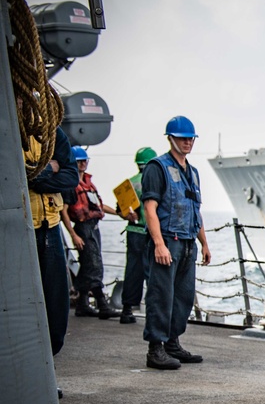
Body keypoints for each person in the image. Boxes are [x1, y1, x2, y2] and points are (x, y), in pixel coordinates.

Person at [140, 116, 211, 370]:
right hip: (168, 240)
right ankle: (155, 348)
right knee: (161, 294)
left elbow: (195, 208)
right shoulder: (157, 168)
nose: (187, 142)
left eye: (190, 138)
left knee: (183, 296)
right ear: (170, 138)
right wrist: (159, 244)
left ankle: (172, 342)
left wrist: (204, 243)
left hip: (188, 242)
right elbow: (150, 208)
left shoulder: (192, 172)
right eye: (182, 138)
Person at [26, 126, 77, 355]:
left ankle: (48, 359)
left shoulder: (51, 131)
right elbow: (13, 173)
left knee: (57, 302)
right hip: (19, 226)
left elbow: (70, 176)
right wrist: (50, 169)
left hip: (50, 226)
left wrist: (36, 178)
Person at [61, 145, 123, 320]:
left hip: (94, 227)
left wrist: (119, 214)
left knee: (88, 265)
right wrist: (73, 234)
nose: (83, 164)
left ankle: (82, 304)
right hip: (83, 228)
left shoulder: (88, 184)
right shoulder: (70, 185)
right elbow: (63, 211)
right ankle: (102, 305)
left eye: (84, 161)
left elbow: (98, 206)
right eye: (79, 161)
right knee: (95, 264)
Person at [119, 146, 158, 324]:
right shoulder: (156, 182)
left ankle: (127, 310)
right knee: (153, 273)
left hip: (133, 232)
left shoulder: (130, 183)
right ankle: (153, 312)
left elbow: (121, 210)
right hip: (150, 232)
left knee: (133, 271)